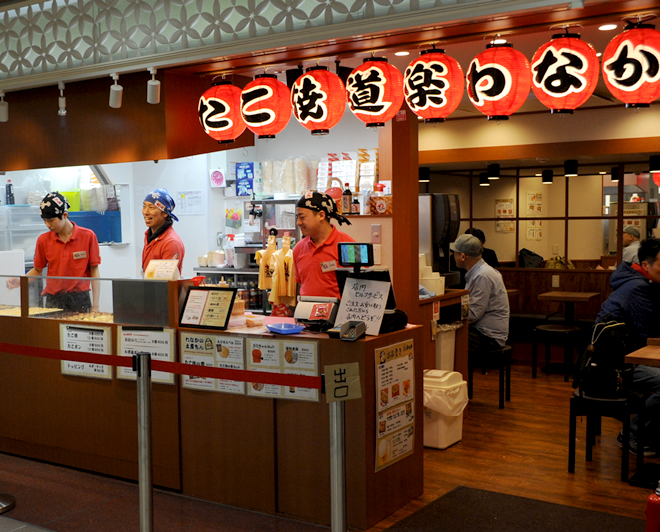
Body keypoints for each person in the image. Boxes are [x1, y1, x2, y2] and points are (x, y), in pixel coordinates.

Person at [596, 238, 660, 456]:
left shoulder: (640, 282)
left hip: (621, 356)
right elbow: (646, 335)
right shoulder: (637, 288)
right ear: (645, 265)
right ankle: (632, 434)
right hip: (614, 365)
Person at [8, 192, 101, 312]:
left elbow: (94, 270)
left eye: (51, 220)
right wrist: (21, 281)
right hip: (54, 299)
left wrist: (96, 305)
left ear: (65, 215)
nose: (48, 225)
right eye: (45, 221)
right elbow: (37, 270)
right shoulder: (43, 240)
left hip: (80, 298)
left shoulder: (88, 236)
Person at [450, 234, 509, 352]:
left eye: (454, 253)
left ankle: (455, 370)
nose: (453, 256)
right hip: (485, 332)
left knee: (447, 336)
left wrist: (447, 316)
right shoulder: (481, 272)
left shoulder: (482, 276)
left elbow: (472, 315)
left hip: (489, 336)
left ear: (463, 256)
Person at [293, 191, 355, 299]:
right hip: (306, 312)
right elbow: (300, 283)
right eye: (297, 217)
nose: (298, 222)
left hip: (337, 313)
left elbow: (361, 287)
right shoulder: (298, 248)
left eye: (302, 217)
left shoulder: (348, 246)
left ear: (321, 215)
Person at [142, 188, 185, 275]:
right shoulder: (149, 236)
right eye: (144, 206)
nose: (146, 212)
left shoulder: (171, 242)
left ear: (165, 213)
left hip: (163, 288)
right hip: (150, 287)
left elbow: (165, 279)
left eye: (151, 207)